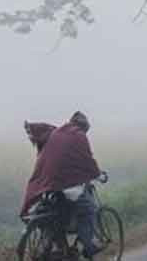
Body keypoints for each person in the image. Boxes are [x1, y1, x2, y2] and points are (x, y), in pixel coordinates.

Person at [21, 111, 106, 259]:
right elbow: (87, 159)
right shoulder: (78, 136)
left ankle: (60, 247)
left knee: (58, 214)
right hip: (67, 184)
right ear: (84, 126)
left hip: (48, 185)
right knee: (89, 209)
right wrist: (98, 174)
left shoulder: (57, 133)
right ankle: (89, 246)